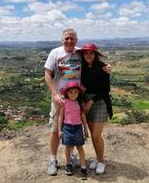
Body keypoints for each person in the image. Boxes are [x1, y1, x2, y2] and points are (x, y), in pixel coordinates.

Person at [44, 29, 111, 176]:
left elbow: (94, 60)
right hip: (60, 98)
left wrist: (107, 67)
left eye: (72, 39)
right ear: (62, 40)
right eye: (66, 38)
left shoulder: (80, 52)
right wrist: (55, 94)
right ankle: (53, 159)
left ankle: (73, 156)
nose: (69, 41)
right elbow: (48, 75)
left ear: (76, 40)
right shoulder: (55, 53)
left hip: (78, 98)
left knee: (73, 125)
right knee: (56, 129)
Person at [78, 43, 113, 174]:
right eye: (86, 53)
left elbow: (106, 90)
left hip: (99, 102)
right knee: (93, 135)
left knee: (96, 135)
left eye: (91, 53)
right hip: (86, 101)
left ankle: (101, 161)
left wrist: (91, 102)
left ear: (95, 55)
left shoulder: (103, 68)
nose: (88, 55)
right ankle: (98, 159)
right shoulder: (82, 68)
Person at [58, 81, 89, 180]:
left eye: (75, 92)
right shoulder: (64, 103)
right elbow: (61, 117)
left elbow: (83, 115)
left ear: (79, 93)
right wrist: (59, 130)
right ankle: (68, 164)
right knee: (67, 147)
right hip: (67, 127)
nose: (73, 94)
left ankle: (83, 167)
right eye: (70, 92)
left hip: (78, 128)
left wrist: (85, 128)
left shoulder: (80, 103)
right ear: (66, 92)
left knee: (80, 147)